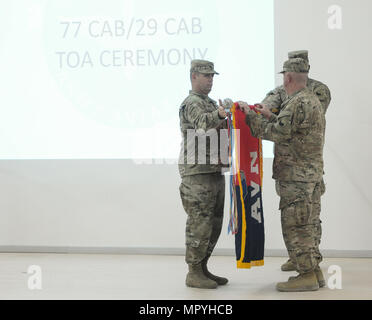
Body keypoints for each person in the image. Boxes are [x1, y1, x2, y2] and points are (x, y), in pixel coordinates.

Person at [239, 58, 326, 292]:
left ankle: (306, 275)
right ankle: (314, 271)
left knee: (296, 225)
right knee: (307, 223)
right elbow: (291, 129)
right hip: (308, 174)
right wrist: (269, 114)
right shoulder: (309, 99)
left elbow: (276, 133)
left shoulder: (297, 102)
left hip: (296, 177)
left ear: (287, 77)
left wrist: (251, 116)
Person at [262, 50, 331, 274]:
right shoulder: (302, 96)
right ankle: (302, 261)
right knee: (303, 219)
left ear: (288, 75)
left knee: (300, 220)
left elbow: (285, 128)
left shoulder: (309, 95)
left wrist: (257, 119)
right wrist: (275, 115)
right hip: (299, 169)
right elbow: (278, 114)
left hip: (298, 171)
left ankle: (308, 268)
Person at [178, 59, 228, 289]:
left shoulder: (208, 103)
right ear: (193, 76)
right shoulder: (192, 103)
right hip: (197, 172)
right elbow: (202, 125)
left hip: (214, 169)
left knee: (214, 224)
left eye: (212, 76)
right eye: (205, 75)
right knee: (200, 223)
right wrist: (219, 114)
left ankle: (203, 267)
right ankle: (194, 272)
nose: (210, 79)